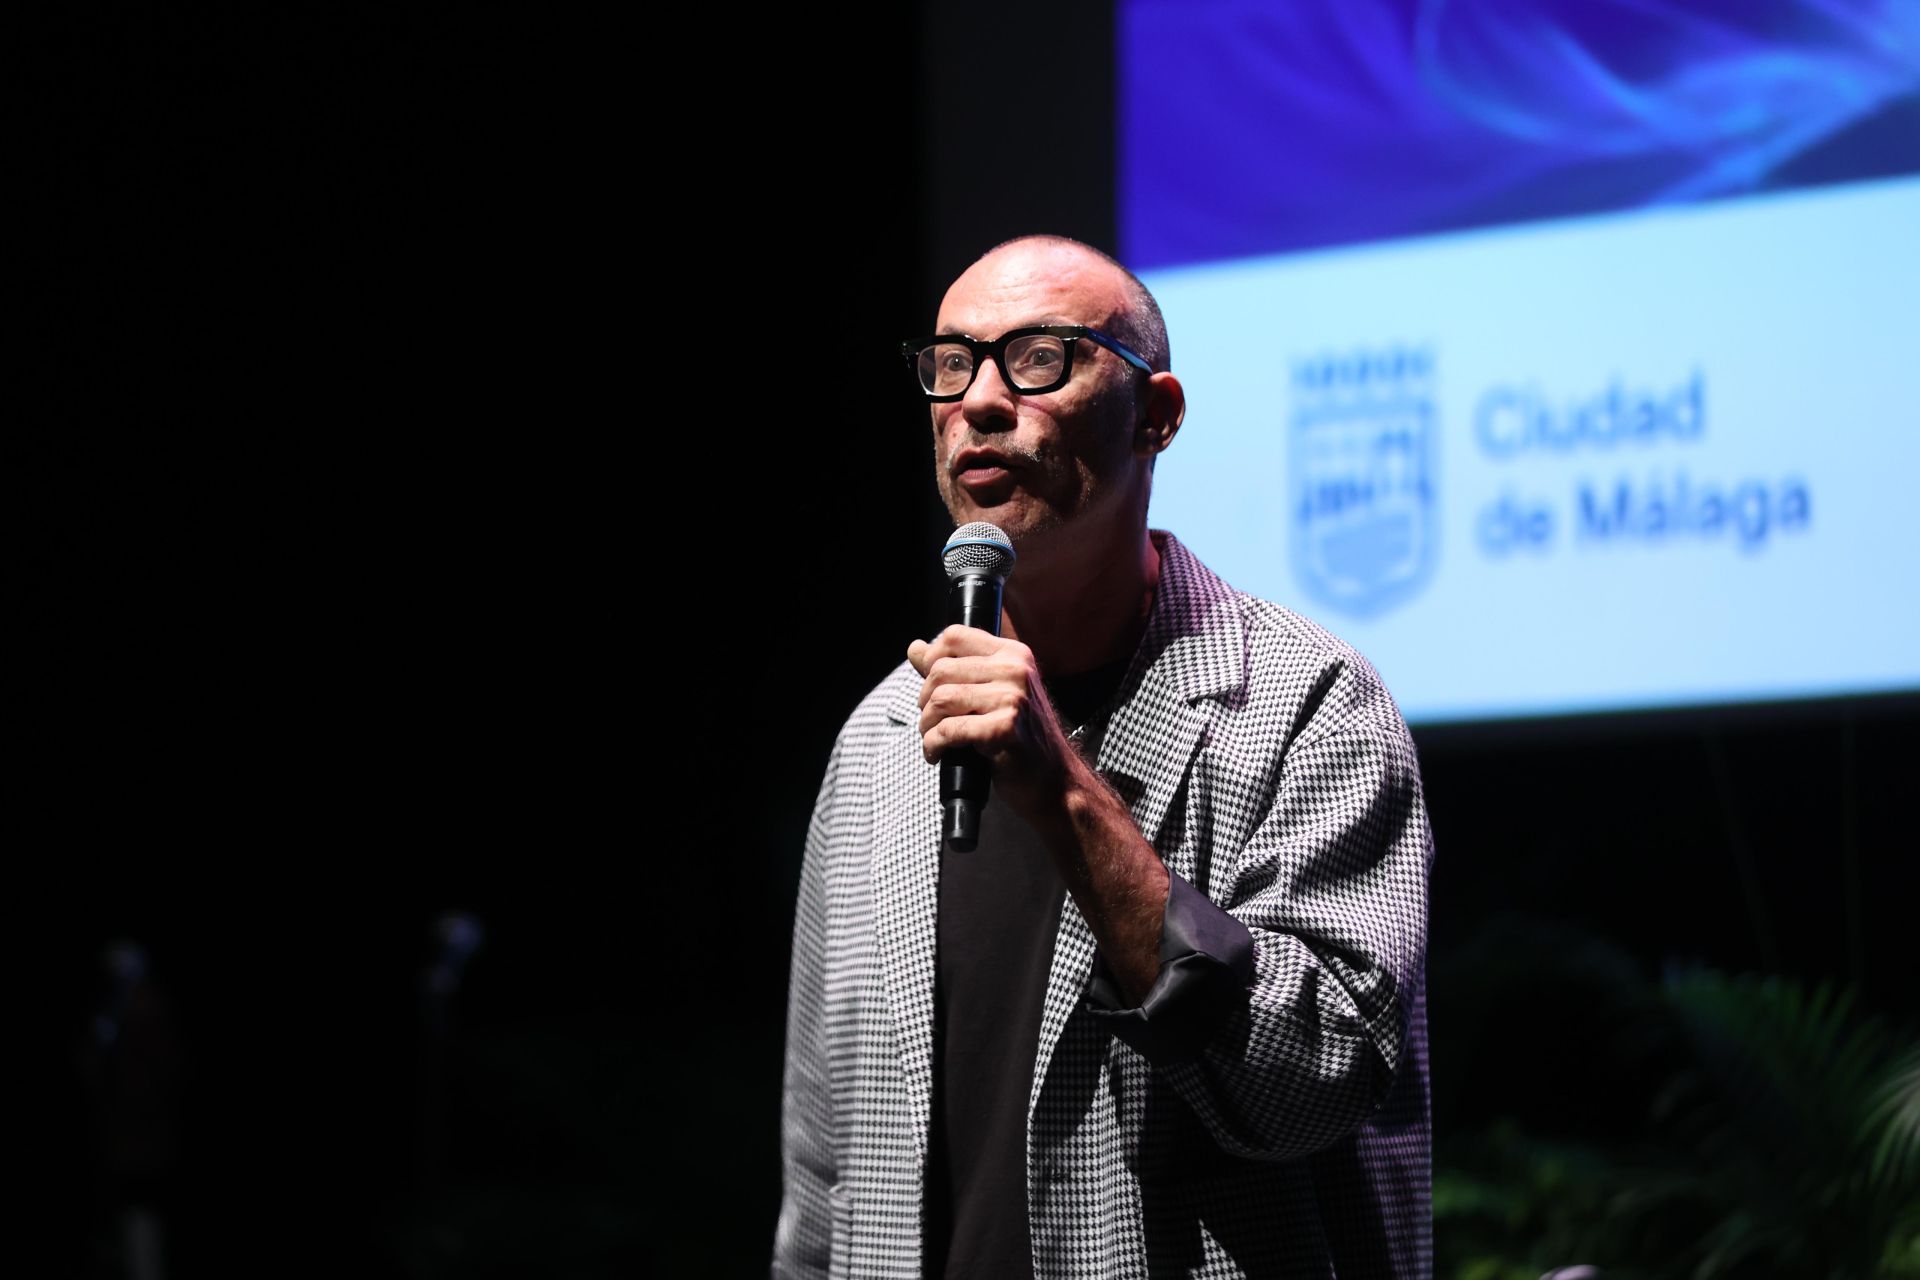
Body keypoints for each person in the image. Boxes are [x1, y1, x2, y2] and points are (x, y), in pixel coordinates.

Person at [774, 235, 1433, 1278]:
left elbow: (1316, 1077)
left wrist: (1067, 793)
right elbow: (823, 1170)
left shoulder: (1308, 698)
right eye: (951, 363)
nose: (982, 401)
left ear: (1156, 415)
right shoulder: (880, 740)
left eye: (1039, 356)